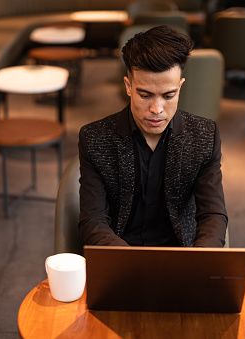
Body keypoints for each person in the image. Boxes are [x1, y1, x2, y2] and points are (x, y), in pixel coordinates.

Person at [78, 25, 228, 247]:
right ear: (128, 87)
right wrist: (131, 263)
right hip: (119, 256)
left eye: (168, 95)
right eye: (145, 95)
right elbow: (93, 220)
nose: (157, 109)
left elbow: (213, 215)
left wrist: (199, 262)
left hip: (182, 258)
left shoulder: (205, 136)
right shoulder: (94, 138)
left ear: (180, 86)